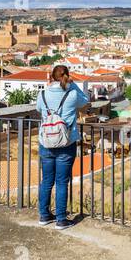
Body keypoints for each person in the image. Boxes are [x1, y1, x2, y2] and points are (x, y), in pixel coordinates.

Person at [36, 64, 90, 228]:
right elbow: (85, 101)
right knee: (61, 181)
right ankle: (61, 219)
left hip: (46, 142)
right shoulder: (72, 93)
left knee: (46, 181)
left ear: (51, 77)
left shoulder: (43, 93)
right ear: (67, 76)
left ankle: (44, 216)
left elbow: (39, 109)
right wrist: (72, 84)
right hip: (66, 142)